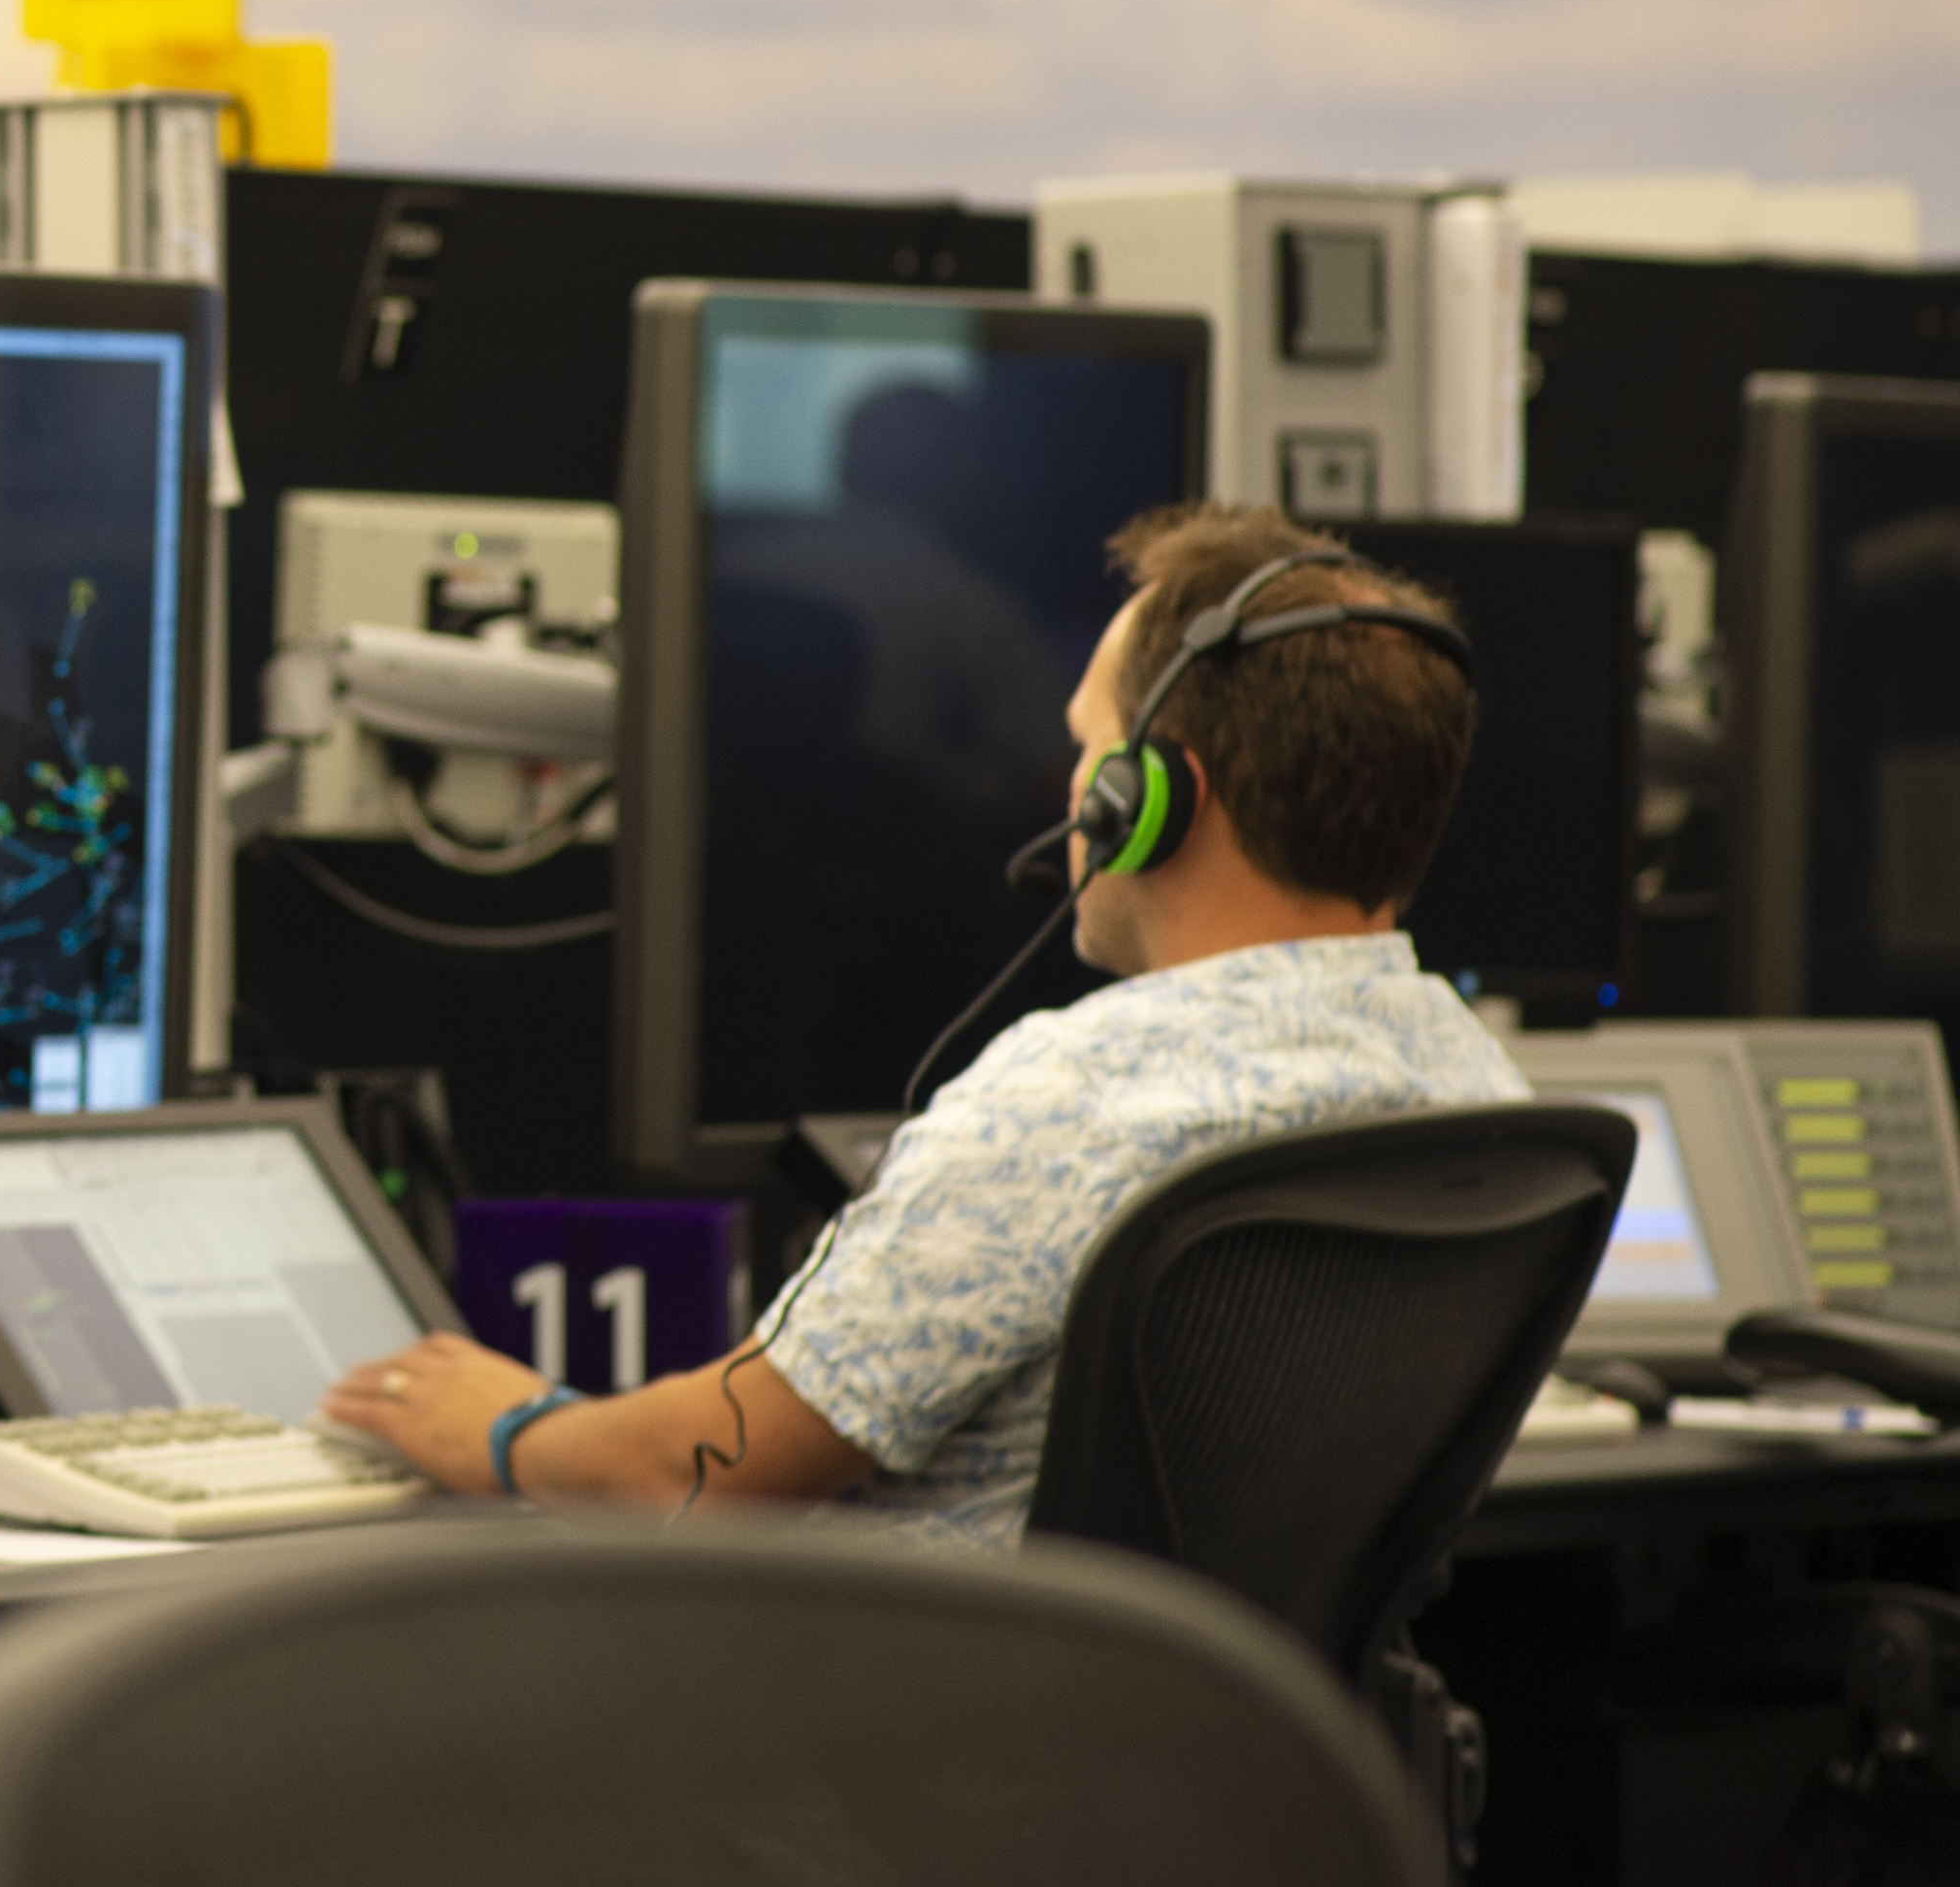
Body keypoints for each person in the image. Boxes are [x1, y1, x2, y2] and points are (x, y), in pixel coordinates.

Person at [324, 501, 1529, 1545]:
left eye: (1086, 750)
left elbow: (701, 1468)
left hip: (923, 1759)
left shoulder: (1081, 1102)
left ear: (1147, 802)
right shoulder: (1480, 1097)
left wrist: (508, 1426)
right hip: (1252, 1763)